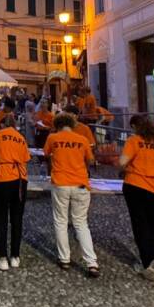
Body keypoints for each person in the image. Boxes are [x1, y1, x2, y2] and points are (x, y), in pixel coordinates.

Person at [119, 116, 154, 281]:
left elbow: (123, 161)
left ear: (135, 127)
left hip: (137, 186)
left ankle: (147, 264)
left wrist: (123, 167)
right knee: (153, 224)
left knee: (140, 225)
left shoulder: (134, 140)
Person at [43, 114, 100, 277]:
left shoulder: (53, 138)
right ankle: (91, 262)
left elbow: (46, 154)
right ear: (72, 125)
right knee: (81, 223)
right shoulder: (82, 139)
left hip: (60, 182)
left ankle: (64, 259)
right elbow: (90, 160)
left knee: (61, 221)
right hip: (80, 183)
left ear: (57, 125)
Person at [0, 115, 30, 270]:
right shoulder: (21, 138)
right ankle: (15, 257)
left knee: (1, 217)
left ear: (3, 125)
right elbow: (25, 160)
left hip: (3, 177)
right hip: (20, 179)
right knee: (17, 218)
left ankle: (2, 258)